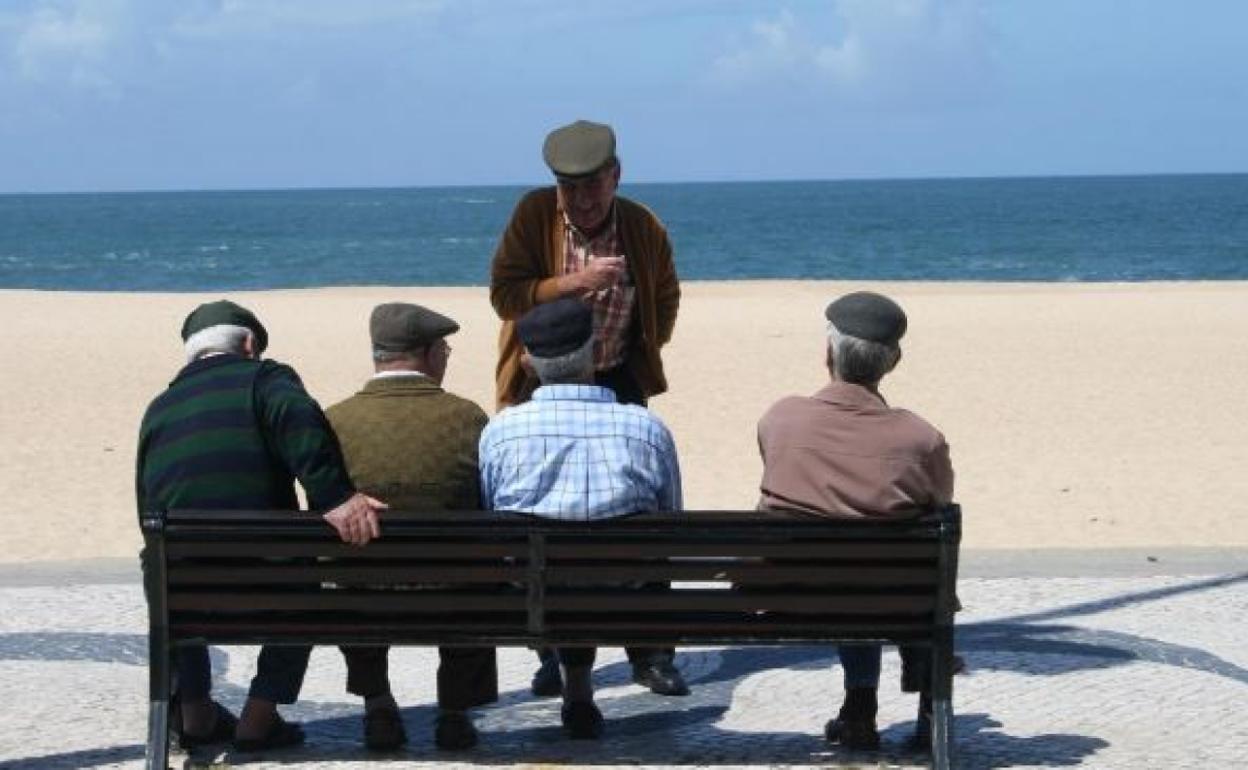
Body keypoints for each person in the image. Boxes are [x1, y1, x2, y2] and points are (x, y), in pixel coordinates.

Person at [488, 118, 686, 697]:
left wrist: (646, 342)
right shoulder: (532, 216)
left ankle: (650, 653)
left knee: (640, 520)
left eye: (593, 185)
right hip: (540, 380)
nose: (582, 198)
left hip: (617, 378)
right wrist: (573, 284)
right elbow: (505, 295)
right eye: (569, 187)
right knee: (543, 522)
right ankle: (554, 652)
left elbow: (667, 294)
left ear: (616, 176)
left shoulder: (643, 226)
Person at [136, 300, 386, 753]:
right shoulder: (265, 379)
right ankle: (257, 719)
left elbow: (146, 510)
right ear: (249, 344)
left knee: (161, 568)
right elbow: (301, 424)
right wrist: (336, 497)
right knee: (307, 587)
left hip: (184, 589)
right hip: (270, 584)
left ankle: (194, 713)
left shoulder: (160, 408)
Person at [755, 291, 955, 751]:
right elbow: (939, 502)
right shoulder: (920, 439)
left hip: (792, 596)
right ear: (894, 361)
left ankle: (860, 706)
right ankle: (925, 707)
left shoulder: (779, 419)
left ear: (828, 353)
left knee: (847, 570)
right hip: (892, 600)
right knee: (894, 574)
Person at [478, 298, 684, 739]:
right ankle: (639, 660)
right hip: (625, 589)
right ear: (593, 354)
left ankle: (572, 681)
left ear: (528, 363)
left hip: (535, 593)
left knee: (548, 565)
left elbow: (490, 514)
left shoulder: (501, 431)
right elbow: (672, 520)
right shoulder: (645, 428)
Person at [324, 302, 498, 752]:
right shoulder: (467, 417)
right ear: (426, 353)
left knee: (346, 571)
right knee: (480, 567)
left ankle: (378, 704)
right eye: (444, 348)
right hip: (454, 594)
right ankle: (455, 711)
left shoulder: (336, 420)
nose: (446, 356)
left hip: (364, 596)